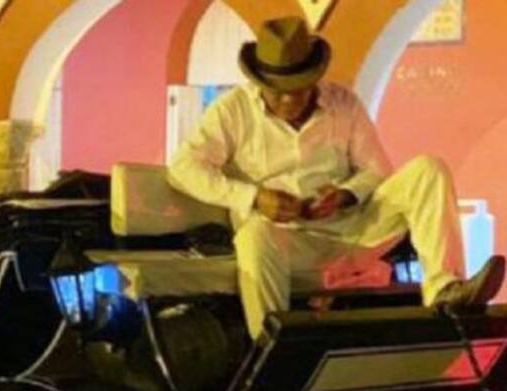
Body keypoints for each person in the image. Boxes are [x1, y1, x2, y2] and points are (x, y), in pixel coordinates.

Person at [168, 15, 506, 339]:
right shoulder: (233, 110)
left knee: (428, 169)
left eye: (296, 89)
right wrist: (253, 198)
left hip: (353, 232)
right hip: (287, 243)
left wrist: (344, 195)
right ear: (260, 82)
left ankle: (445, 291)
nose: (287, 99)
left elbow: (377, 172)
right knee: (254, 236)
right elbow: (183, 168)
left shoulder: (343, 104)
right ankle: (270, 345)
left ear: (314, 79)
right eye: (277, 91)